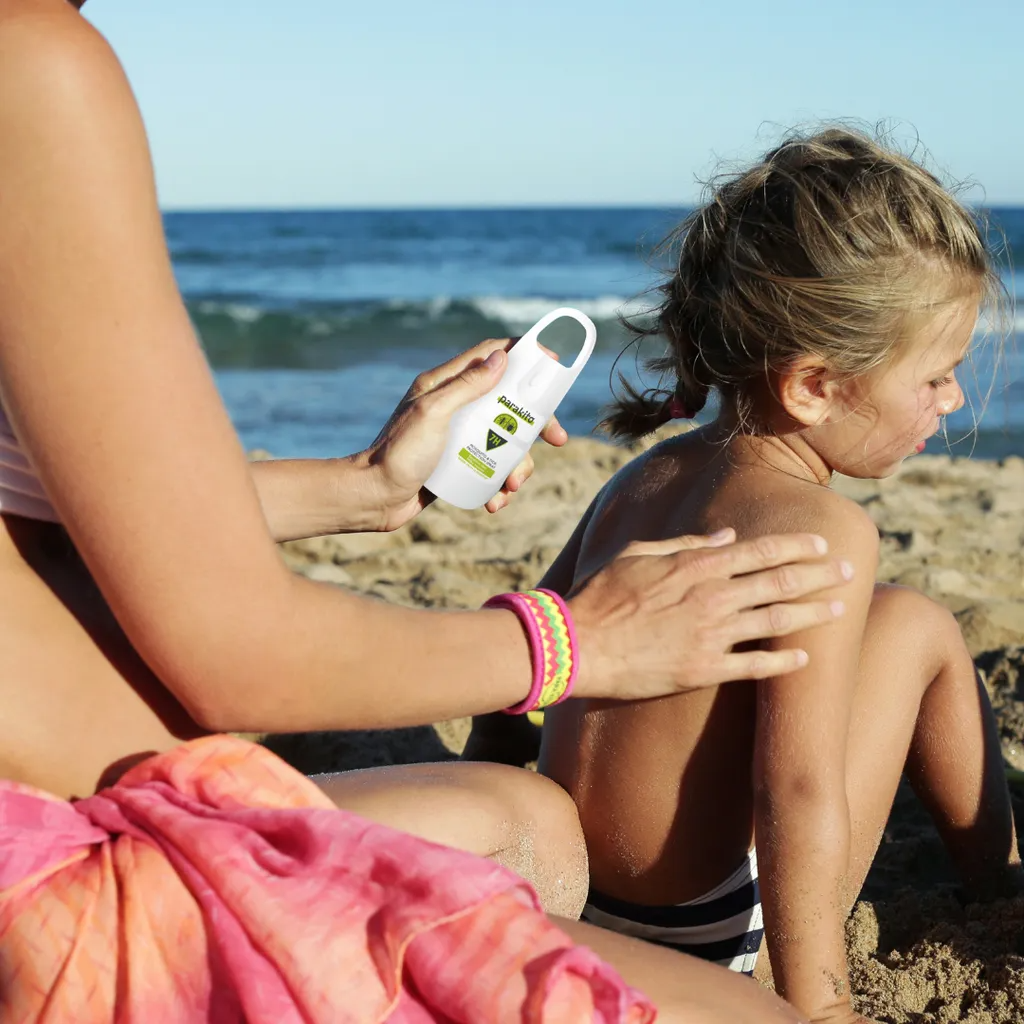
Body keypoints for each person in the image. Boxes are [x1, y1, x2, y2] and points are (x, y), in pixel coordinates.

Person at [0, 2, 855, 1022]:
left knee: (527, 821)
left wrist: (363, 484)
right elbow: (234, 655)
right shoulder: (30, 64)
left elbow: (63, 519)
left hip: (83, 810)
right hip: (71, 886)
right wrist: (579, 643)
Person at [499, 127, 1020, 1024]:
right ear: (813, 386)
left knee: (896, 615)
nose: (955, 400)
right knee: (926, 630)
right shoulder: (828, 529)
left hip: (573, 899)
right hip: (708, 930)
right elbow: (797, 791)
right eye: (936, 378)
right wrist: (818, 1006)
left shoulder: (645, 475)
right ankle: (1000, 887)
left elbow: (521, 673)